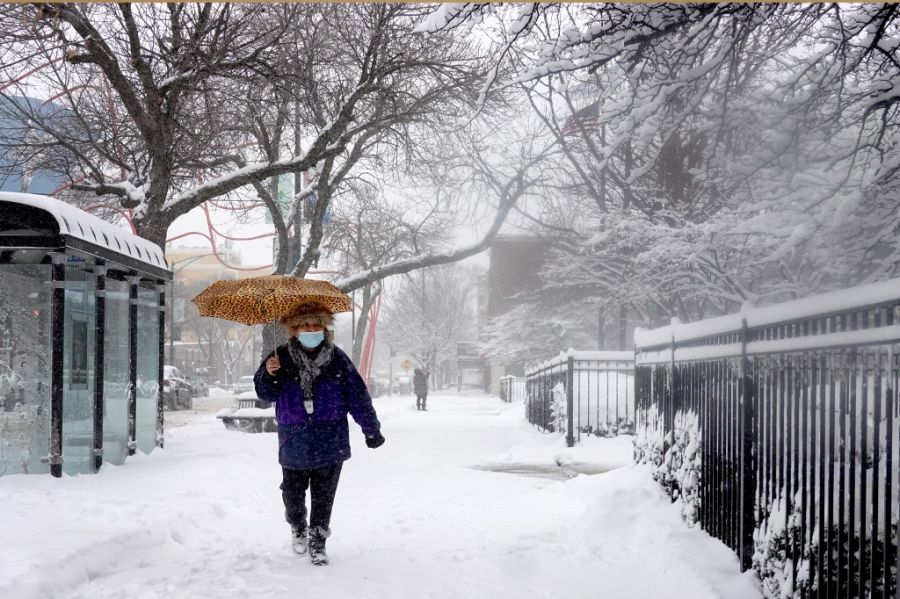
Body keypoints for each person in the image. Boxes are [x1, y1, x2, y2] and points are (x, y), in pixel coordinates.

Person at [254, 302, 385, 566]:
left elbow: (357, 396)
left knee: (324, 496)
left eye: (316, 326)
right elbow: (265, 394)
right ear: (294, 330)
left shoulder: (337, 358)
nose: (311, 331)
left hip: (330, 438)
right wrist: (269, 374)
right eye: (305, 326)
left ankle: (318, 541)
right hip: (294, 438)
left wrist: (371, 429)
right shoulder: (279, 357)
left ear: (324, 329)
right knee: (293, 494)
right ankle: (297, 525)